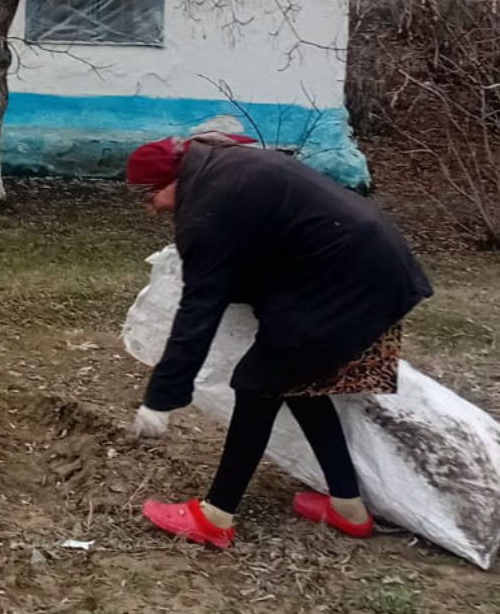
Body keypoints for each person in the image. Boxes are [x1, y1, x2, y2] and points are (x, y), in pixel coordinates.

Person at [125, 133, 432, 549]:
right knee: (297, 381)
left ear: (170, 179)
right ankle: (348, 508)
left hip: (349, 283)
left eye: (150, 195)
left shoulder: (208, 209)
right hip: (367, 267)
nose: (152, 209)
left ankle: (216, 515)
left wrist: (161, 398)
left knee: (256, 384)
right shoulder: (223, 167)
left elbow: (198, 311)